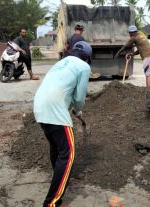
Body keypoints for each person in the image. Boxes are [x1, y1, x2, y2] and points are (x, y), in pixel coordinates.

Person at [33, 41, 92, 207]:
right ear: (87, 57)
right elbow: (79, 98)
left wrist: (70, 105)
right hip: (55, 110)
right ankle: (51, 203)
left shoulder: (60, 63)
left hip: (39, 107)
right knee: (68, 155)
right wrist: (78, 110)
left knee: (57, 149)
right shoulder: (83, 67)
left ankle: (58, 179)